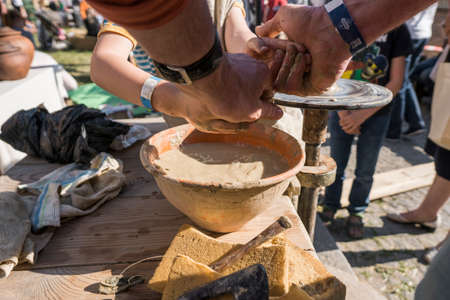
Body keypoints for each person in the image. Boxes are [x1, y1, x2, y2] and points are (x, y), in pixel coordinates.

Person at [91, 0, 307, 133]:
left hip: (233, 105)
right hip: (180, 118)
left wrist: (254, 50)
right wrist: (174, 101)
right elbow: (103, 63)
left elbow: (236, 31)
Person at [320, 24, 413, 239]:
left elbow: (396, 81)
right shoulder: (345, 20)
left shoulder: (399, 27)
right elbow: (331, 70)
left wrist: (362, 115)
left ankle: (357, 211)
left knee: (365, 169)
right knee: (337, 163)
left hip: (377, 113)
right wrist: (344, 113)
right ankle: (330, 204)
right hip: (342, 106)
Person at [387, 3, 438, 139]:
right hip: (423, 31)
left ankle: (395, 129)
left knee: (400, 82)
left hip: (410, 32)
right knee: (404, 80)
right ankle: (415, 122)